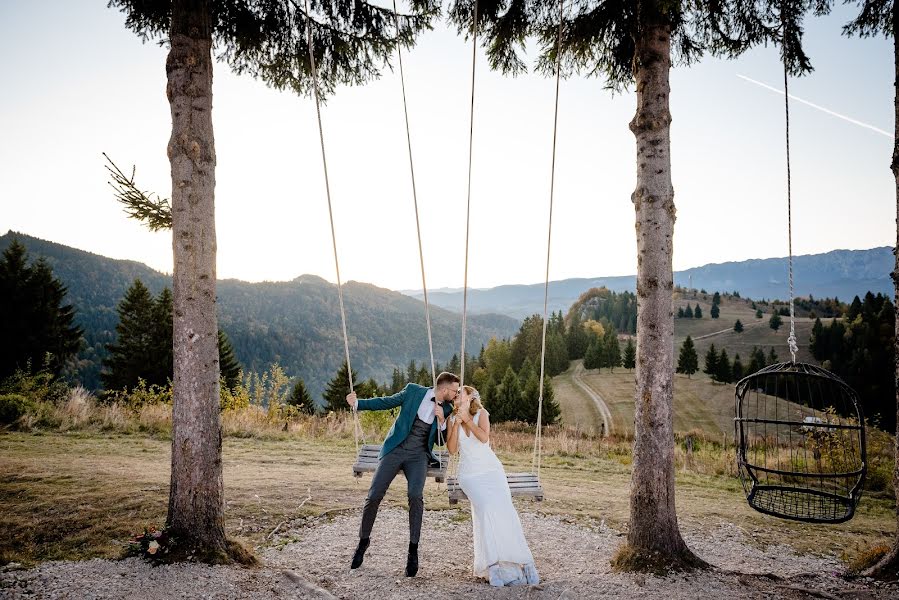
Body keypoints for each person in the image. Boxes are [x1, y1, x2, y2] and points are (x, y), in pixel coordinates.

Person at [345, 371, 459, 577]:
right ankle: (363, 542)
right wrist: (358, 403)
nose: (456, 394)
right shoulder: (413, 391)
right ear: (444, 388)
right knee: (374, 496)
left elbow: (441, 441)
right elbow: (386, 402)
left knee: (415, 496)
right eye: (454, 390)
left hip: (419, 455)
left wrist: (442, 420)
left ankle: (413, 550)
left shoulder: (448, 408)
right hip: (396, 449)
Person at [446, 385, 540, 587]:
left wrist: (467, 420)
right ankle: (494, 565)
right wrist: (456, 423)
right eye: (455, 395)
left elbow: (483, 437)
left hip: (491, 471)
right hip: (470, 474)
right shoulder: (452, 419)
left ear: (470, 397)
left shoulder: (482, 414)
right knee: (487, 509)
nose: (456, 396)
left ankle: (524, 562)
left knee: (506, 509)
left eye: (460, 393)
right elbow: (452, 450)